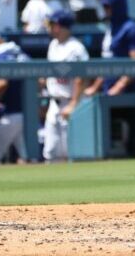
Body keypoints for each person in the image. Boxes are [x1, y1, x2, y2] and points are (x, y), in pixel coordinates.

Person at [42, 10, 88, 162]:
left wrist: (74, 103)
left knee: (69, 151)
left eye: (52, 24)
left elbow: (81, 77)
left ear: (60, 26)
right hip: (54, 103)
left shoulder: (76, 47)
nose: (49, 27)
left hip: (70, 101)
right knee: (50, 151)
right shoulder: (53, 44)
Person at [0, 32, 29, 166]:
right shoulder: (22, 54)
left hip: (7, 114)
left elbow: (2, 82)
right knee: (28, 158)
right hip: (27, 115)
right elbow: (40, 81)